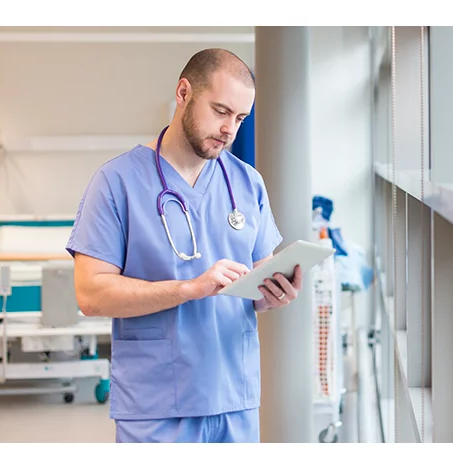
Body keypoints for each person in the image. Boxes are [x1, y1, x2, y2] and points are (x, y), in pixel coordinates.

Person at [65, 48, 303, 443]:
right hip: (157, 403)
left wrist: (273, 294)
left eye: (240, 118)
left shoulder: (247, 183)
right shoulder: (116, 182)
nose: (230, 129)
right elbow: (90, 294)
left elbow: (258, 282)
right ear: (183, 92)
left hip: (234, 397)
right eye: (221, 111)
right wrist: (191, 288)